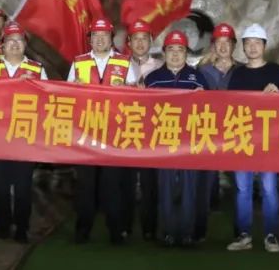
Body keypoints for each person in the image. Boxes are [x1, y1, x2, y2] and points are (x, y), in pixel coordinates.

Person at [67, 17, 132, 244]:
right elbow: (65, 96)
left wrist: (126, 88)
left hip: (114, 134)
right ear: (90, 39)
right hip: (86, 133)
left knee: (112, 185)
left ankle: (116, 231)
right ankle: (82, 231)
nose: (99, 39)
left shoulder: (125, 63)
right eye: (95, 35)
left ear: (111, 38)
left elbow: (137, 96)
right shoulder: (78, 62)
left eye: (104, 35)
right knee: (85, 185)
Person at [227, 23, 279, 254]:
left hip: (269, 140)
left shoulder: (276, 72)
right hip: (243, 138)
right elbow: (229, 107)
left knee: (269, 188)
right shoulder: (238, 74)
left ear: (264, 46)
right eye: (248, 43)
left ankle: (271, 235)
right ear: (243, 47)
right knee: (242, 189)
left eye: (256, 43)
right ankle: (243, 234)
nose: (252, 47)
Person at [0, 21, 46, 242]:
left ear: (25, 44)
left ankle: (21, 227)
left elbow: (48, 101)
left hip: (25, 136)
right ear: (2, 45)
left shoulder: (37, 71)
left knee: (23, 187)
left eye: (19, 41)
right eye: (10, 41)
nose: (15, 45)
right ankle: (2, 225)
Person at [144, 30, 207, 246]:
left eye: (180, 50)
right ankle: (169, 232)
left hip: (190, 142)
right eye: (171, 50)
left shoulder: (197, 77)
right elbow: (143, 110)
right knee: (166, 188)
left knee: (190, 189)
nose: (176, 54)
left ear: (186, 53)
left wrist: (203, 98)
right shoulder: (152, 79)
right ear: (164, 52)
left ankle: (187, 233)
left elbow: (210, 109)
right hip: (163, 142)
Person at [195, 22, 240, 239]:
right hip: (209, 132)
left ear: (234, 45)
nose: (223, 47)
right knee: (204, 185)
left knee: (239, 184)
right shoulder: (203, 70)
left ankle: (242, 232)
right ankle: (199, 231)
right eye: (218, 42)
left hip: (236, 133)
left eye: (227, 42)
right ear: (213, 45)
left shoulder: (243, 70)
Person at [124, 19, 162, 240]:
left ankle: (149, 228)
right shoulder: (119, 64)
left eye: (144, 39)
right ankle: (125, 226)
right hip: (126, 130)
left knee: (150, 183)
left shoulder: (160, 66)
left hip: (152, 132)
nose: (140, 43)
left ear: (151, 41)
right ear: (129, 42)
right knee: (126, 182)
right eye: (135, 39)